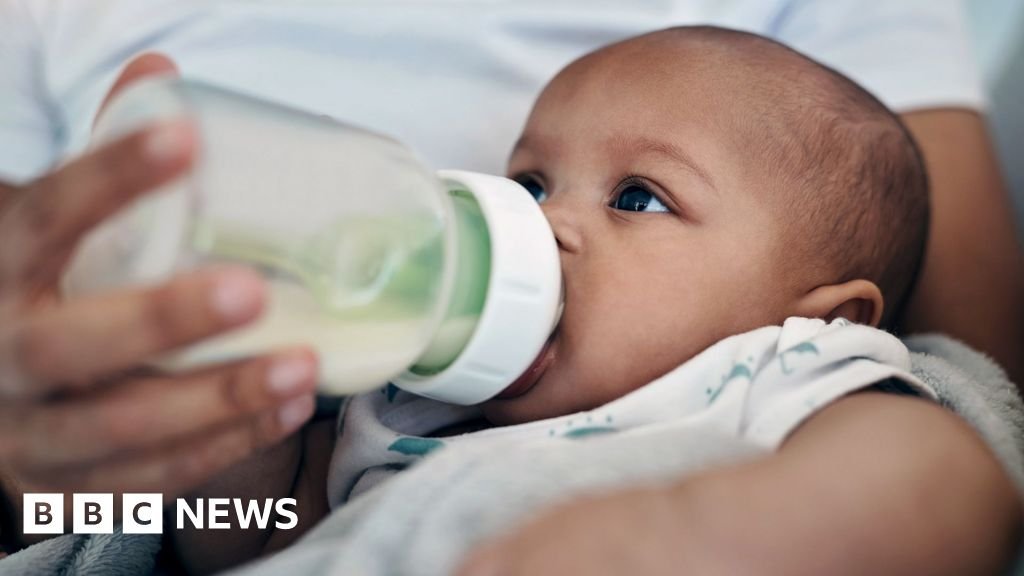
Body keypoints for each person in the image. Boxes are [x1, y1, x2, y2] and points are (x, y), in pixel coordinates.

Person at [0, 0, 1019, 573]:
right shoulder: (402, 399)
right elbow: (260, 547)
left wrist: (674, 544)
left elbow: (947, 477)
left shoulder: (782, 374)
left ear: (824, 317)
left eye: (639, 198)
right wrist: (239, 444)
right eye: (530, 182)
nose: (544, 222)